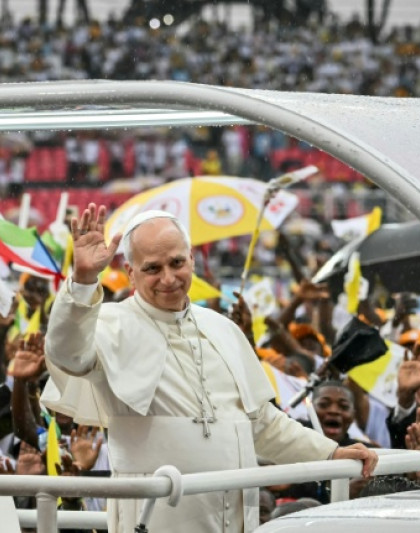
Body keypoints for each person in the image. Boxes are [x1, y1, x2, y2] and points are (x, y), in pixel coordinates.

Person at [42, 205, 378, 533]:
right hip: (158, 514)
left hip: (235, 511)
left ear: (191, 258)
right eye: (152, 268)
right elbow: (67, 353)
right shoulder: (109, 325)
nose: (168, 278)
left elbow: (260, 424)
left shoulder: (223, 329)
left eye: (176, 262)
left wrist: (330, 452)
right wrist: (84, 280)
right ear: (131, 272)